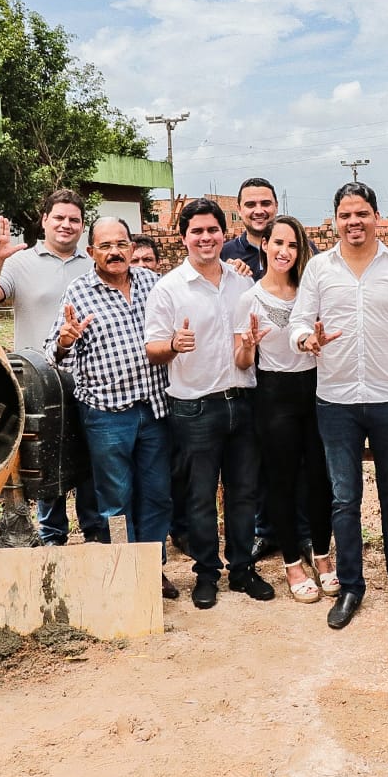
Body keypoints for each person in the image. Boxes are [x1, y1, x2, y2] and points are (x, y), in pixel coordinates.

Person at [289, 182, 388, 629]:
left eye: (362, 213)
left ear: (377, 217)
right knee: (344, 499)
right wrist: (306, 339)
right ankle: (351, 586)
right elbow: (298, 321)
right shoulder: (318, 270)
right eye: (346, 214)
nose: (354, 222)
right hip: (335, 402)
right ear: (335, 220)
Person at [145, 198, 274, 609]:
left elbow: (248, 344)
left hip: (243, 400)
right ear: (183, 237)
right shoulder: (168, 288)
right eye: (197, 231)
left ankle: (241, 569)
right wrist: (172, 345)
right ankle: (206, 574)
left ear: (224, 235)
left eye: (212, 230)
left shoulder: (243, 284)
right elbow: (151, 348)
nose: (205, 238)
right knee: (200, 496)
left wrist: (252, 347)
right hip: (195, 407)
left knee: (243, 493)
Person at [44, 217, 177, 598]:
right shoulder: (79, 292)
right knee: (116, 498)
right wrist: (66, 341)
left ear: (133, 249)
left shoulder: (154, 284)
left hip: (154, 409)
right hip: (106, 414)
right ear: (91, 253)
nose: (115, 252)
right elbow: (56, 355)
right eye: (105, 246)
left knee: (156, 494)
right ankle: (124, 570)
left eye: (122, 244)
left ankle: (153, 568)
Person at [0, 188, 104, 547]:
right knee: (46, 466)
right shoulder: (20, 262)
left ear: (82, 226)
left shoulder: (93, 264)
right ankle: (52, 541)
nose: (66, 225)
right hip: (38, 384)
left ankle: (95, 538)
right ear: (44, 221)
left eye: (74, 219)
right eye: (58, 217)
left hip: (89, 381)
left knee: (91, 465)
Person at [233, 215, 337, 604]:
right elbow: (242, 361)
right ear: (264, 245)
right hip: (273, 394)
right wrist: (247, 344)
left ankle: (323, 556)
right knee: (280, 479)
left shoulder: (310, 292)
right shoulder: (250, 298)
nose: (284, 251)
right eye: (278, 243)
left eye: (292, 245)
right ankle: (292, 561)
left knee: (319, 478)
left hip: (316, 390)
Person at [221, 177, 279, 281]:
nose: (259, 211)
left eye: (265, 203)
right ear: (239, 210)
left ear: (276, 206)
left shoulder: (301, 248)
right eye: (250, 205)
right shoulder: (224, 254)